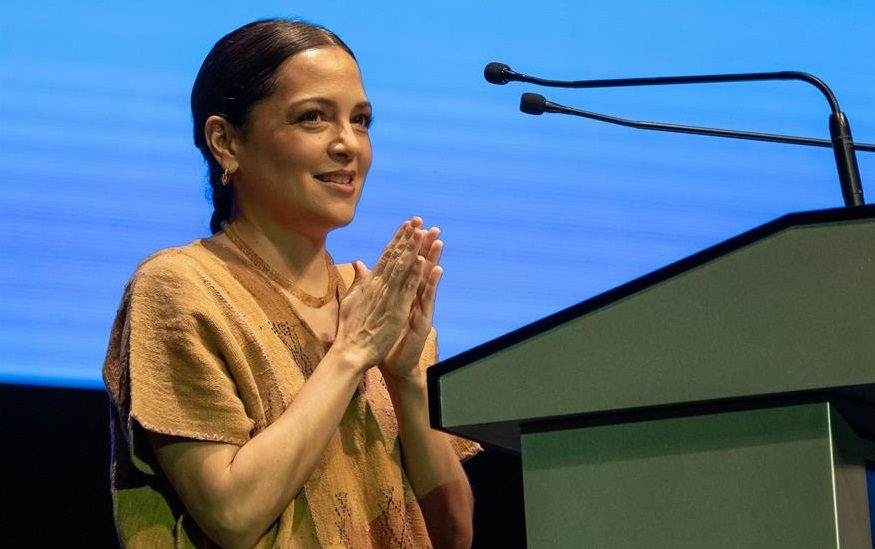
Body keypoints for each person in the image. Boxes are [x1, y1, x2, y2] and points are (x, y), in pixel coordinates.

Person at [103, 18, 480, 548]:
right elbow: (233, 516)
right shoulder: (181, 287)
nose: (348, 145)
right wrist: (350, 355)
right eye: (312, 118)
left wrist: (406, 381)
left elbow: (455, 534)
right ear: (226, 142)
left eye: (361, 120)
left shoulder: (375, 306)